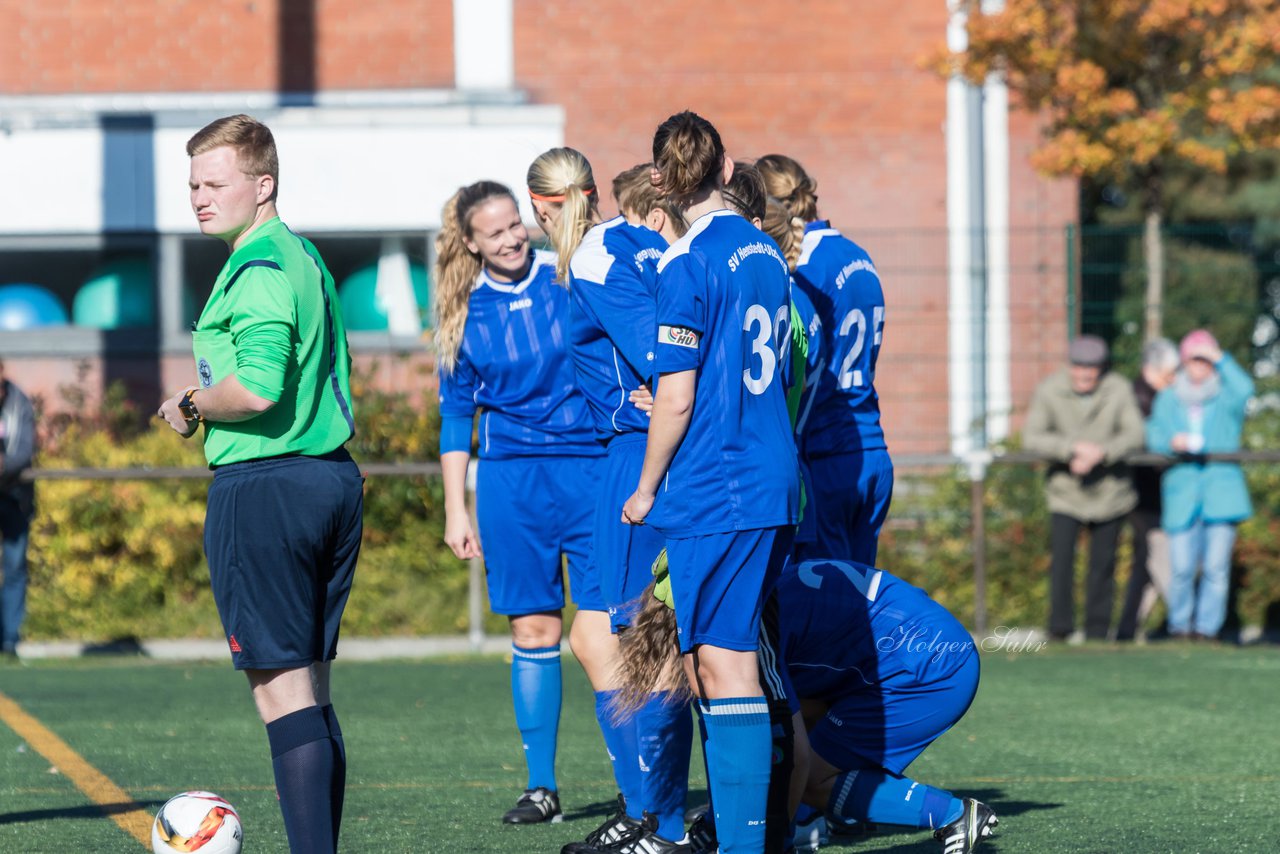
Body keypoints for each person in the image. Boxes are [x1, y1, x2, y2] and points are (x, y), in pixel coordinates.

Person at [157, 114, 361, 853]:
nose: (199, 198)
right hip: (329, 480)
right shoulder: (303, 255)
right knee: (312, 690)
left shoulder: (261, 266)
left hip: (269, 487)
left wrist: (187, 405)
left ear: (263, 183)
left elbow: (257, 388)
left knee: (284, 695)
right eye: (192, 185)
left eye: (215, 183)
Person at [621, 111, 800, 854]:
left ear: (661, 183)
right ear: (728, 171)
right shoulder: (764, 250)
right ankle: (751, 838)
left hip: (717, 485)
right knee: (717, 660)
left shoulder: (684, 263)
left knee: (723, 667)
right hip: (769, 476)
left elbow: (678, 396)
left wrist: (644, 486)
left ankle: (746, 844)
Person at [525, 147, 694, 853]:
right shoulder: (631, 239)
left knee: (645, 644)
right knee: (596, 638)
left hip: (637, 453)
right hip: (629, 450)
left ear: (545, 206)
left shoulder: (595, 256)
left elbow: (661, 350)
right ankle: (646, 811)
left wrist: (666, 394)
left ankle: (662, 824)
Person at [613, 557, 999, 854]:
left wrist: (765, 837)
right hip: (920, 645)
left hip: (927, 668)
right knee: (793, 733)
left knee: (811, 776)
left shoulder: (746, 625)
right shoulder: (756, 583)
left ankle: (954, 816)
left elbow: (787, 746)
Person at [433, 179, 605, 825]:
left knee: (608, 633)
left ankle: (643, 790)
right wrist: (457, 508)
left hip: (591, 474)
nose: (510, 239)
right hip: (511, 487)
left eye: (515, 225)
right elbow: (456, 420)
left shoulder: (571, 279)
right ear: (471, 244)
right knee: (534, 630)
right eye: (494, 231)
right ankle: (542, 788)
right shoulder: (460, 313)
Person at [756, 154, 892, 566]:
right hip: (871, 445)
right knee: (858, 604)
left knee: (824, 608)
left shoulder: (802, 266)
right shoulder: (859, 254)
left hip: (827, 452)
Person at [1023, 335, 1145, 641]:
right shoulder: (1049, 389)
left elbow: (1135, 434)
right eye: (1078, 369)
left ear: (1101, 369)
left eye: (1091, 371)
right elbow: (1033, 437)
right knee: (1062, 562)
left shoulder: (1118, 388)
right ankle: (1060, 628)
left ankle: (1097, 630)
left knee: (1103, 565)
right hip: (1066, 492)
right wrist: (1071, 449)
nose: (1084, 377)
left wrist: (1102, 452)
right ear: (1070, 367)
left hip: (1111, 493)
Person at [1147, 330, 1254, 640]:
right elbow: (1153, 434)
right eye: (1194, 359)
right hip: (1183, 493)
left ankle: (1207, 629)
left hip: (1221, 493)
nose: (1200, 366)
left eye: (1205, 360)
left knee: (1216, 569)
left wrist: (1219, 356)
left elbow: (1245, 388)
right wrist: (1171, 442)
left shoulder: (1225, 396)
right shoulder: (1169, 397)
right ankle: (1179, 626)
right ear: (1184, 362)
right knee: (1180, 568)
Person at [1116, 338, 1179, 642]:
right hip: (1143, 493)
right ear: (1151, 370)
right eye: (1169, 374)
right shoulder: (1140, 398)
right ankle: (1176, 623)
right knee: (1151, 558)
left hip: (1157, 493)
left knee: (1148, 560)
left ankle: (1132, 628)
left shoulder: (1159, 396)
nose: (1175, 380)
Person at [0, 360, 36, 659]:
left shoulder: (19, 402)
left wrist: (3, 466)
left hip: (14, 497)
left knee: (14, 568)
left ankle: (10, 639)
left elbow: (24, 451)